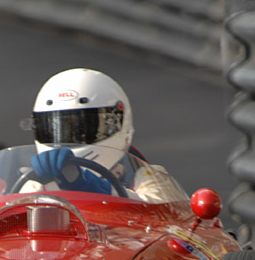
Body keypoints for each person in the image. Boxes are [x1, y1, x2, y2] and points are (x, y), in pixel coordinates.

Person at [24, 68, 168, 200]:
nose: (70, 140)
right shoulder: (34, 187)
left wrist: (93, 188)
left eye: (84, 129)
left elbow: (163, 212)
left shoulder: (146, 177)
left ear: (117, 122)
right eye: (56, 129)